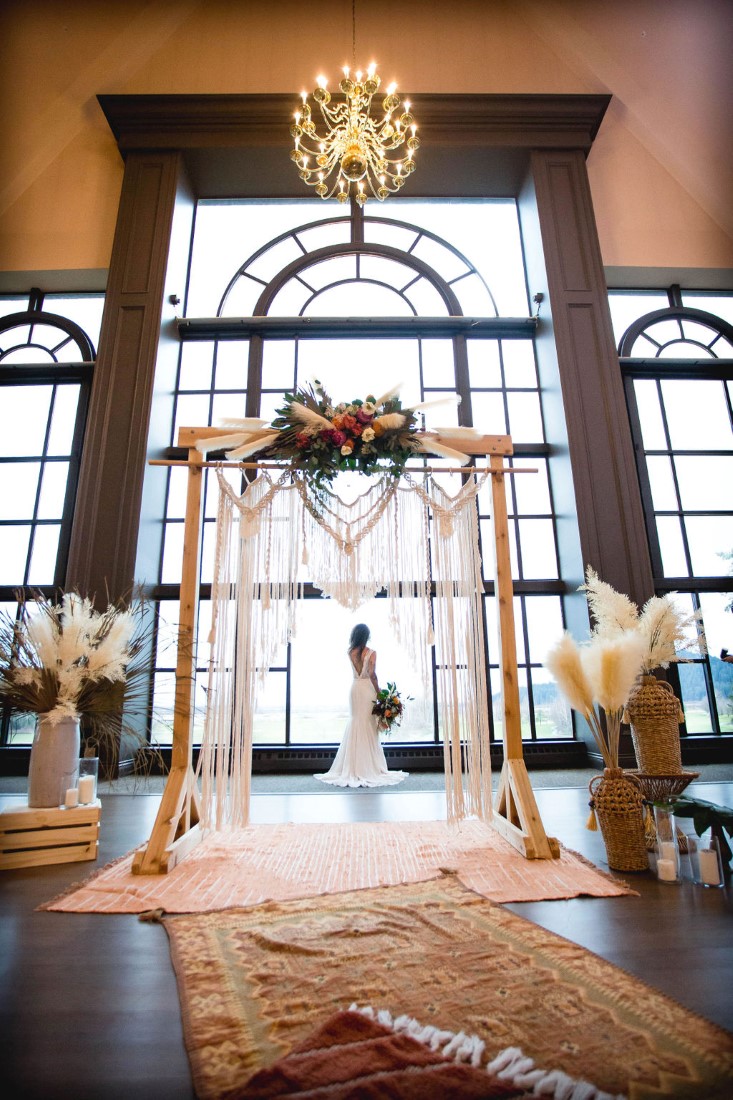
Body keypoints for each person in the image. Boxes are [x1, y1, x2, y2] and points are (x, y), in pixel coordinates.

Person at [314, 624, 408, 788]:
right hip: (367, 689)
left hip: (355, 689)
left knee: (356, 721)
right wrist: (380, 694)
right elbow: (372, 674)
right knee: (368, 724)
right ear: (367, 636)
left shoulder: (350, 652)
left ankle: (353, 765)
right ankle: (368, 767)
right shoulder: (371, 653)